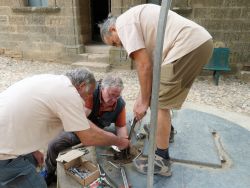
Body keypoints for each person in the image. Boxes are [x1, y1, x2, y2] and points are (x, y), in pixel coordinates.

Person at [99, 4, 213, 176]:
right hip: (198, 43)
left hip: (187, 46)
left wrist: (144, 102)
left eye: (115, 42)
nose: (120, 46)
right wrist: (141, 97)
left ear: (113, 29)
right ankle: (167, 132)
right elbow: (150, 70)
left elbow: (144, 66)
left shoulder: (124, 25)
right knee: (157, 97)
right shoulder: (135, 21)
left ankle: (161, 160)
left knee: (159, 104)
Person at [0, 69, 129, 188]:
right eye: (88, 94)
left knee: (33, 162)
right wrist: (119, 141)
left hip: (8, 135)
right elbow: (89, 136)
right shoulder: (69, 93)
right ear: (82, 86)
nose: (87, 98)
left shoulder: (53, 81)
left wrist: (32, 150)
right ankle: (46, 175)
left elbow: (27, 120)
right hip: (3, 151)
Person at [41, 75, 128, 185]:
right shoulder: (91, 93)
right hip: (78, 126)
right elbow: (81, 119)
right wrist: (102, 137)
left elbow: (121, 127)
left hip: (95, 131)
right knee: (54, 144)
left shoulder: (120, 104)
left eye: (117, 96)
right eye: (111, 95)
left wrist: (123, 142)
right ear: (102, 88)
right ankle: (49, 172)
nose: (114, 100)